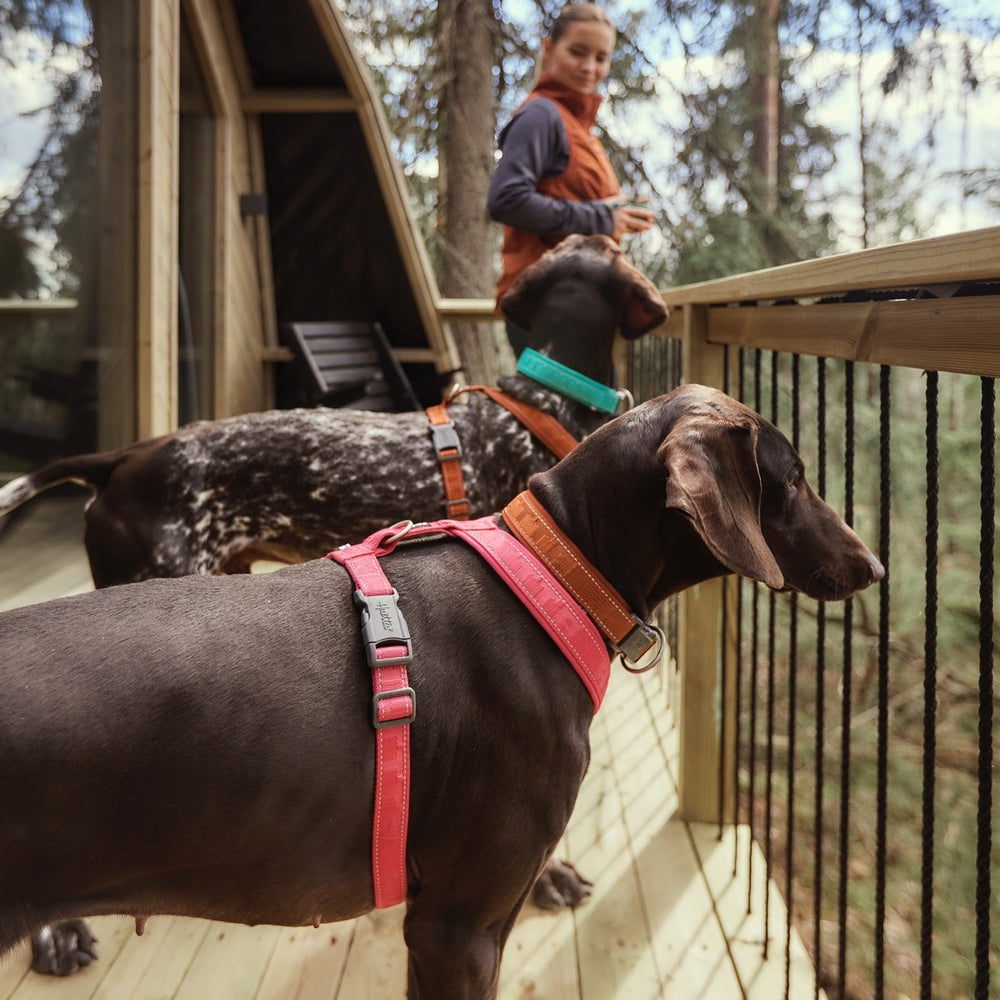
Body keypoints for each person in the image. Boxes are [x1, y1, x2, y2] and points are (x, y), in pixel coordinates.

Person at [487, 2, 656, 356]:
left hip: (576, 305)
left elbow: (573, 200)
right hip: (547, 306)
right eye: (578, 52)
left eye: (601, 57)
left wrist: (617, 212)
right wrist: (602, 217)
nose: (589, 67)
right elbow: (506, 200)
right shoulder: (540, 115)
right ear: (550, 49)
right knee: (553, 415)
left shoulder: (578, 128)